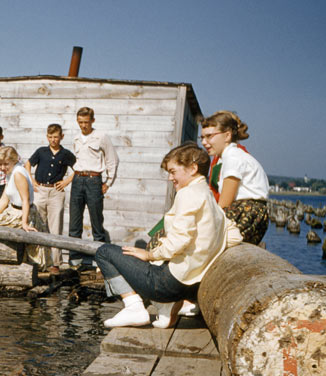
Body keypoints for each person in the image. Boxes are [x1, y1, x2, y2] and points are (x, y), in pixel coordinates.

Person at [94, 142, 241, 329]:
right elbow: (235, 236)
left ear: (193, 168)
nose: (170, 178)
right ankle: (167, 307)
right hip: (193, 285)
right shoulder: (210, 197)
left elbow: (180, 240)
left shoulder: (188, 194)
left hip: (172, 284)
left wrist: (149, 255)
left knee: (104, 252)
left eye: (173, 172)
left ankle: (134, 308)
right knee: (142, 259)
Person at [200, 110, 270, 245]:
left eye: (209, 136)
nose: (204, 142)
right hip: (250, 213)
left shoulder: (233, 157)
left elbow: (225, 202)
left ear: (227, 136)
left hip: (246, 213)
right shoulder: (227, 157)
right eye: (202, 137)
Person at [0, 146, 50, 269]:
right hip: (12, 211)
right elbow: (4, 199)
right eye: (0, 164)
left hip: (22, 212)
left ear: (14, 160)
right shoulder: (10, 172)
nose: (2, 168)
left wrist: (24, 222)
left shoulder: (18, 173)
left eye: (5, 164)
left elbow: (25, 200)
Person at [68, 107, 118, 268]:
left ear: (93, 121)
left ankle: (99, 260)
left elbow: (112, 160)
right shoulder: (76, 138)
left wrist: (108, 183)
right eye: (80, 122)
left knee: (97, 221)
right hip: (77, 180)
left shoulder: (101, 137)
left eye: (86, 122)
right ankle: (74, 260)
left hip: (94, 181)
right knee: (74, 222)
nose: (83, 125)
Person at [29, 123, 76, 271]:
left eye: (56, 137)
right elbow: (27, 164)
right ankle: (39, 261)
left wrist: (66, 181)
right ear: (47, 137)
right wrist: (33, 182)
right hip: (40, 191)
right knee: (38, 225)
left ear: (61, 137)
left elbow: (79, 168)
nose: (53, 140)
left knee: (55, 227)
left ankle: (55, 263)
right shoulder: (41, 151)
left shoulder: (66, 154)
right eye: (50, 137)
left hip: (56, 192)